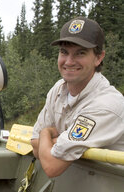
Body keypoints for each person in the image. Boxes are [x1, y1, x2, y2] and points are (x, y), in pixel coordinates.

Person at [31, 16, 124, 178]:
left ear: (98, 57)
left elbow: (52, 165)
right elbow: (34, 144)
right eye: (64, 52)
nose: (69, 61)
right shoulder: (58, 89)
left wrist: (45, 133)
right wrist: (57, 144)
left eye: (80, 53)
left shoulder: (106, 105)